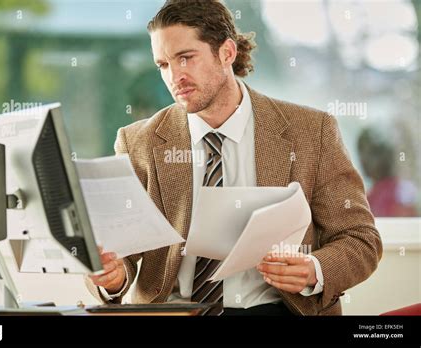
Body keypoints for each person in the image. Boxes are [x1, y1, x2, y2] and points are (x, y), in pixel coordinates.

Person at [85, 0, 382, 315]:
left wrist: (314, 269)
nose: (175, 76)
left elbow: (360, 238)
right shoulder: (138, 143)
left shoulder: (311, 131)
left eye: (186, 58)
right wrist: (113, 278)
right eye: (163, 64)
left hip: (277, 310)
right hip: (174, 311)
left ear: (227, 53)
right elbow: (120, 255)